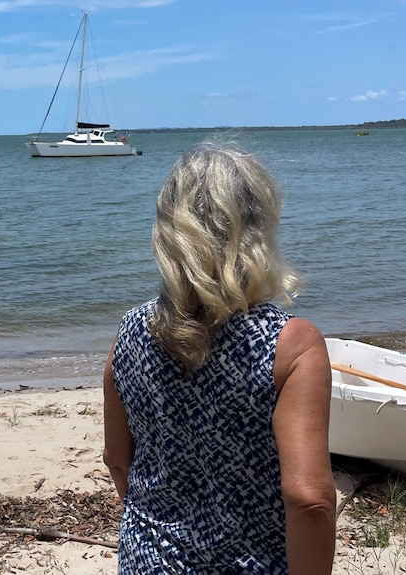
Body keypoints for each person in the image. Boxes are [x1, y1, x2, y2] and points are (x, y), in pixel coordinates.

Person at [102, 142, 336, 574]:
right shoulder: (291, 345)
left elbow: (118, 459)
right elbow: (309, 499)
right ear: (258, 228)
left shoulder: (129, 334)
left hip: (146, 561)